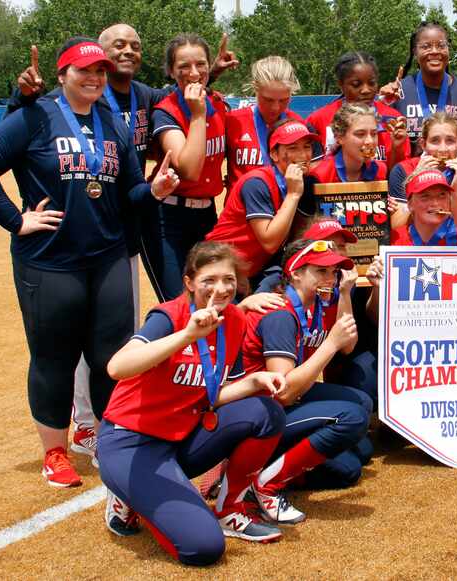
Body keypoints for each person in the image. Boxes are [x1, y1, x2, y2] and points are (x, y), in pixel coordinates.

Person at [0, 37, 179, 488]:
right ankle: (54, 452)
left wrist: (154, 191)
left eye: (100, 71)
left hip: (108, 257)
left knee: (110, 357)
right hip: (49, 261)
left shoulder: (112, 123)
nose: (95, 78)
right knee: (54, 358)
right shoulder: (36, 115)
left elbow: (131, 192)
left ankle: (102, 435)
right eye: (84, 71)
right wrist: (15, 220)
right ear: (63, 76)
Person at [99, 241, 287, 565]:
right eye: (209, 280)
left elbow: (212, 394)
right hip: (131, 443)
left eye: (228, 279)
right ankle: (130, 495)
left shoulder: (234, 321)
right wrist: (186, 336)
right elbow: (117, 367)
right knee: (203, 548)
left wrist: (254, 383)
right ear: (189, 282)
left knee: (267, 412)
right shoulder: (168, 316)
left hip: (182, 436)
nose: (222, 288)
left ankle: (229, 509)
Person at [240, 239, 372, 524]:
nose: (330, 278)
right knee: (351, 434)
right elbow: (284, 392)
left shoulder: (318, 304)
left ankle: (268, 463)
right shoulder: (280, 315)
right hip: (260, 412)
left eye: (334, 272)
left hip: (285, 399)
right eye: (320, 271)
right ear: (296, 272)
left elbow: (348, 345)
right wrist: (330, 344)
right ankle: (263, 482)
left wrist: (346, 294)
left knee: (360, 431)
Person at [147, 33, 229, 301]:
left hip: (206, 217)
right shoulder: (166, 110)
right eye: (183, 66)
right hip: (168, 218)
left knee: (210, 299)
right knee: (178, 304)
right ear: (171, 71)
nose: (193, 73)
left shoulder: (218, 104)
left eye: (201, 64)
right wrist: (198, 113)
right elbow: (189, 169)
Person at [206, 119, 319, 283]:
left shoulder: (304, 182)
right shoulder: (257, 183)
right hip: (218, 267)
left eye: (307, 147)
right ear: (274, 154)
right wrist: (293, 195)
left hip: (255, 268)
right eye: (293, 148)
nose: (302, 155)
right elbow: (270, 242)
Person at [378, 21, 457, 156]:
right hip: (410, 174)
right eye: (426, 46)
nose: (435, 51)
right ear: (415, 52)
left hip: (455, 175)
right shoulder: (398, 93)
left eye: (441, 45)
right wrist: (380, 104)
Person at [305, 51, 409, 168]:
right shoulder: (319, 120)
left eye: (372, 83)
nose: (366, 90)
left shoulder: (393, 119)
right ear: (341, 84)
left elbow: (399, 174)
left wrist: (397, 148)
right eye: (356, 84)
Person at [387, 111, 457, 231]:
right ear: (423, 144)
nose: (443, 149)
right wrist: (415, 180)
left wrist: (456, 191)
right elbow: (397, 227)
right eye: (435, 141)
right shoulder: (403, 170)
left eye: (450, 141)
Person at [225, 56, 306, 187]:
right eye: (268, 100)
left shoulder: (300, 125)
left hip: (286, 205)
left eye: (283, 100)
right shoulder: (233, 122)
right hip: (242, 207)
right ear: (255, 89)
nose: (275, 107)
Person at [390, 169, 457, 246]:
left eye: (442, 195)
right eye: (425, 196)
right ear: (410, 205)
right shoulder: (392, 241)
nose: (435, 203)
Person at [310, 102, 389, 184]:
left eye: (374, 134)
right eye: (360, 134)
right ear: (339, 137)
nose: (370, 141)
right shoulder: (320, 176)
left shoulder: (380, 170)